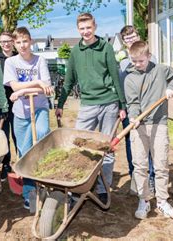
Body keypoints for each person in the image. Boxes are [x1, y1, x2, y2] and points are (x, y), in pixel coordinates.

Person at [56, 13, 126, 206]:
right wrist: (60, 103)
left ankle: (104, 188)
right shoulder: (75, 52)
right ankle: (78, 185)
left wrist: (122, 104)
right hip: (88, 104)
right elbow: (69, 80)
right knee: (79, 145)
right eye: (82, 28)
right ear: (78, 29)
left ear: (94, 26)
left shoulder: (106, 48)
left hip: (109, 103)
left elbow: (114, 75)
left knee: (107, 148)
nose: (86, 32)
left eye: (88, 27)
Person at [125, 41, 173, 220]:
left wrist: (170, 88)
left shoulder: (160, 70)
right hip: (139, 126)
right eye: (134, 61)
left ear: (148, 57)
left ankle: (162, 200)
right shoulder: (129, 78)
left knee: (161, 164)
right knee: (140, 165)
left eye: (141, 61)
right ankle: (144, 199)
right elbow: (132, 103)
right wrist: (134, 117)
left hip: (159, 123)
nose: (137, 64)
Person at [3, 27, 54, 210]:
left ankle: (45, 183)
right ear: (14, 44)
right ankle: (29, 192)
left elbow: (47, 87)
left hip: (39, 108)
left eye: (25, 41)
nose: (22, 45)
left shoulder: (40, 60)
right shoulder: (10, 62)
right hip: (20, 114)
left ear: (30, 41)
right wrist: (36, 83)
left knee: (41, 137)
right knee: (24, 153)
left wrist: (25, 90)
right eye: (18, 42)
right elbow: (14, 86)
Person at [118, 25, 156, 195]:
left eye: (133, 36)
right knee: (131, 143)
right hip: (130, 108)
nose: (131, 40)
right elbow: (120, 86)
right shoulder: (124, 63)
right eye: (127, 39)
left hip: (149, 107)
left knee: (150, 141)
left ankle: (151, 178)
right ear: (124, 42)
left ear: (138, 36)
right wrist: (122, 106)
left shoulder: (151, 58)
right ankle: (136, 177)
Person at [0, 31, 18, 181]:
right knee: (4, 135)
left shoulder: (19, 57)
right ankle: (6, 163)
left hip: (18, 101)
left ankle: (22, 161)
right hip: (1, 103)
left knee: (18, 134)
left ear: (13, 41)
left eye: (9, 41)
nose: (6, 44)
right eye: (3, 41)